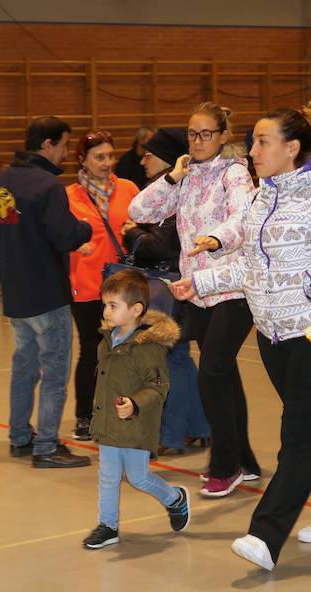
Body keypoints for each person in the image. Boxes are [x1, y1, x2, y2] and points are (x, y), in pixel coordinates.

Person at [171, 90, 311, 571]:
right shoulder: (263, 198)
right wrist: (199, 281)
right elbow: (250, 269)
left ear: (292, 148)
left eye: (262, 142)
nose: (253, 151)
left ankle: (266, 533)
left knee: (299, 432)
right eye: (252, 142)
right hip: (273, 333)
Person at [129, 103, 261, 498]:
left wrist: (218, 238)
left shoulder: (235, 174)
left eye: (206, 134)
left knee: (213, 373)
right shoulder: (185, 177)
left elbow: (243, 217)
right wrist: (172, 176)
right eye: (192, 133)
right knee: (224, 375)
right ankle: (246, 459)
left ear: (223, 136)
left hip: (233, 288)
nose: (198, 141)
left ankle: (226, 465)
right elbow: (139, 209)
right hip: (197, 291)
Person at [0, 116, 93, 468]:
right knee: (54, 371)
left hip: (16, 294)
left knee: (25, 366)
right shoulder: (47, 187)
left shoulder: (0, 183)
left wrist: (17, 244)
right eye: (64, 145)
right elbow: (64, 235)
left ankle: (19, 437)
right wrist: (84, 229)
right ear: (47, 145)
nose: (66, 153)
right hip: (46, 293)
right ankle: (46, 446)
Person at [82, 269, 190, 549]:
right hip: (109, 424)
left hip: (136, 424)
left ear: (136, 310)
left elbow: (158, 386)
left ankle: (175, 498)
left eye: (113, 306)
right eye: (105, 304)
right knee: (107, 476)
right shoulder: (106, 341)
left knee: (138, 478)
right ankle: (108, 525)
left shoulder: (148, 347)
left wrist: (134, 404)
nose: (105, 311)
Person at [122, 128, 210, 455]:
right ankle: (200, 427)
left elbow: (161, 244)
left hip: (172, 287)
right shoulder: (167, 189)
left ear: (167, 159)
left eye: (149, 154)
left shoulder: (177, 191)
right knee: (179, 361)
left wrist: (132, 235)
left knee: (168, 363)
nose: (142, 159)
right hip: (176, 287)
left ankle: (172, 435)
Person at [66, 130, 140, 441]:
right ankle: (85, 416)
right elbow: (60, 235)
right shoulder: (69, 196)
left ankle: (122, 411)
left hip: (123, 285)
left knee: (125, 352)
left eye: (110, 156)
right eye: (99, 157)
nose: (107, 162)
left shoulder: (128, 188)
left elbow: (143, 225)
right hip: (86, 285)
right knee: (91, 352)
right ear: (82, 160)